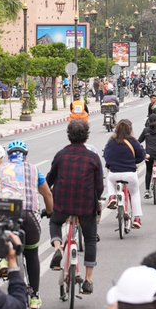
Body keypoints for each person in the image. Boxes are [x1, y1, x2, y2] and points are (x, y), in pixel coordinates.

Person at [0, 140, 55, 308]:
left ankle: (4, 260)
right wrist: (50, 212)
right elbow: (47, 194)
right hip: (29, 214)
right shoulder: (35, 170)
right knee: (32, 253)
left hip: (5, 211)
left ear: (8, 156)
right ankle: (34, 297)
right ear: (25, 156)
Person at [48, 120, 105, 294]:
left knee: (55, 222)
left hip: (62, 204)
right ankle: (88, 280)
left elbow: (49, 179)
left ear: (68, 135)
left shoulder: (61, 155)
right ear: (86, 136)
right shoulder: (93, 157)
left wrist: (51, 196)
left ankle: (58, 248)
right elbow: (99, 186)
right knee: (89, 239)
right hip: (86, 206)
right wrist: (96, 202)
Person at [103, 119, 147, 229]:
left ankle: (112, 196)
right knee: (135, 193)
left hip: (114, 174)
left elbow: (106, 156)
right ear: (130, 129)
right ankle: (137, 218)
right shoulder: (133, 141)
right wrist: (133, 162)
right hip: (130, 174)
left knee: (109, 179)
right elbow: (142, 155)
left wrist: (111, 165)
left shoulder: (111, 141)